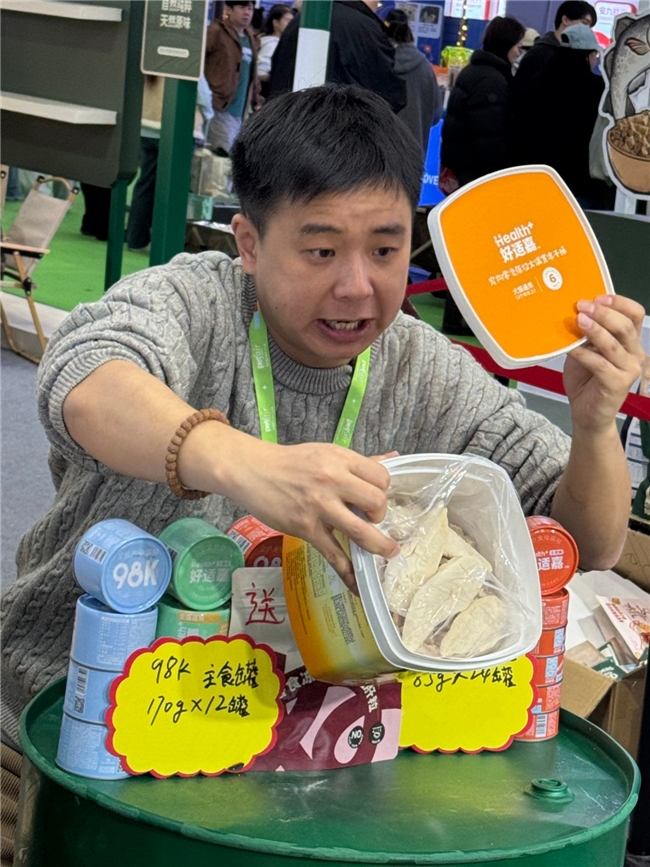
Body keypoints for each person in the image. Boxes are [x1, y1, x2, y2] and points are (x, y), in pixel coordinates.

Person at [1, 85, 643, 754]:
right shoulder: (194, 303)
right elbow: (85, 377)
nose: (357, 286)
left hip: (300, 758)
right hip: (65, 731)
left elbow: (586, 544)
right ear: (249, 243)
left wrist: (596, 427)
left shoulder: (426, 370)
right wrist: (249, 465)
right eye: (322, 251)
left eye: (385, 251)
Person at [512, 24, 608, 209]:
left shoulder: (537, 82)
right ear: (588, 55)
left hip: (536, 183)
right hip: (581, 188)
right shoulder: (598, 90)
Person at [268, 0, 406, 113]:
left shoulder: (300, 21)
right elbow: (389, 94)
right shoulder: (367, 29)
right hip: (343, 129)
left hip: (288, 123)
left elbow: (277, 74)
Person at [440, 16, 525, 188]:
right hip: (476, 175)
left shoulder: (472, 71)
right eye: (518, 46)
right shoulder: (491, 81)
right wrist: (503, 173)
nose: (519, 52)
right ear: (506, 44)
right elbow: (489, 137)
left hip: (461, 169)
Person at [205, 0, 261, 156]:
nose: (247, 12)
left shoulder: (251, 38)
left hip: (242, 111)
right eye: (242, 7)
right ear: (228, 10)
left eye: (250, 8)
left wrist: (257, 100)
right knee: (221, 157)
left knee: (231, 158)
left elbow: (253, 74)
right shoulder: (216, 32)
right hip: (220, 106)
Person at [385, 8, 442, 156]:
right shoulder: (425, 67)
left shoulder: (375, 62)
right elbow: (436, 114)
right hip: (413, 153)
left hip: (377, 152)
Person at [513, 0, 597, 93]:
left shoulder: (574, 55)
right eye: (584, 23)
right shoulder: (541, 53)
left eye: (590, 27)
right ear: (565, 20)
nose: (588, 30)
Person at [125, 75, 165, 253]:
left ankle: (136, 238)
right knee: (164, 190)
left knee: (145, 185)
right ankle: (150, 240)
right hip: (169, 130)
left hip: (146, 127)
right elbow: (203, 97)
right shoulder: (182, 66)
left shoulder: (148, 65)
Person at [258, 3, 293, 98]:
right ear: (276, 22)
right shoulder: (270, 43)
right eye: (287, 21)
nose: (290, 25)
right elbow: (261, 71)